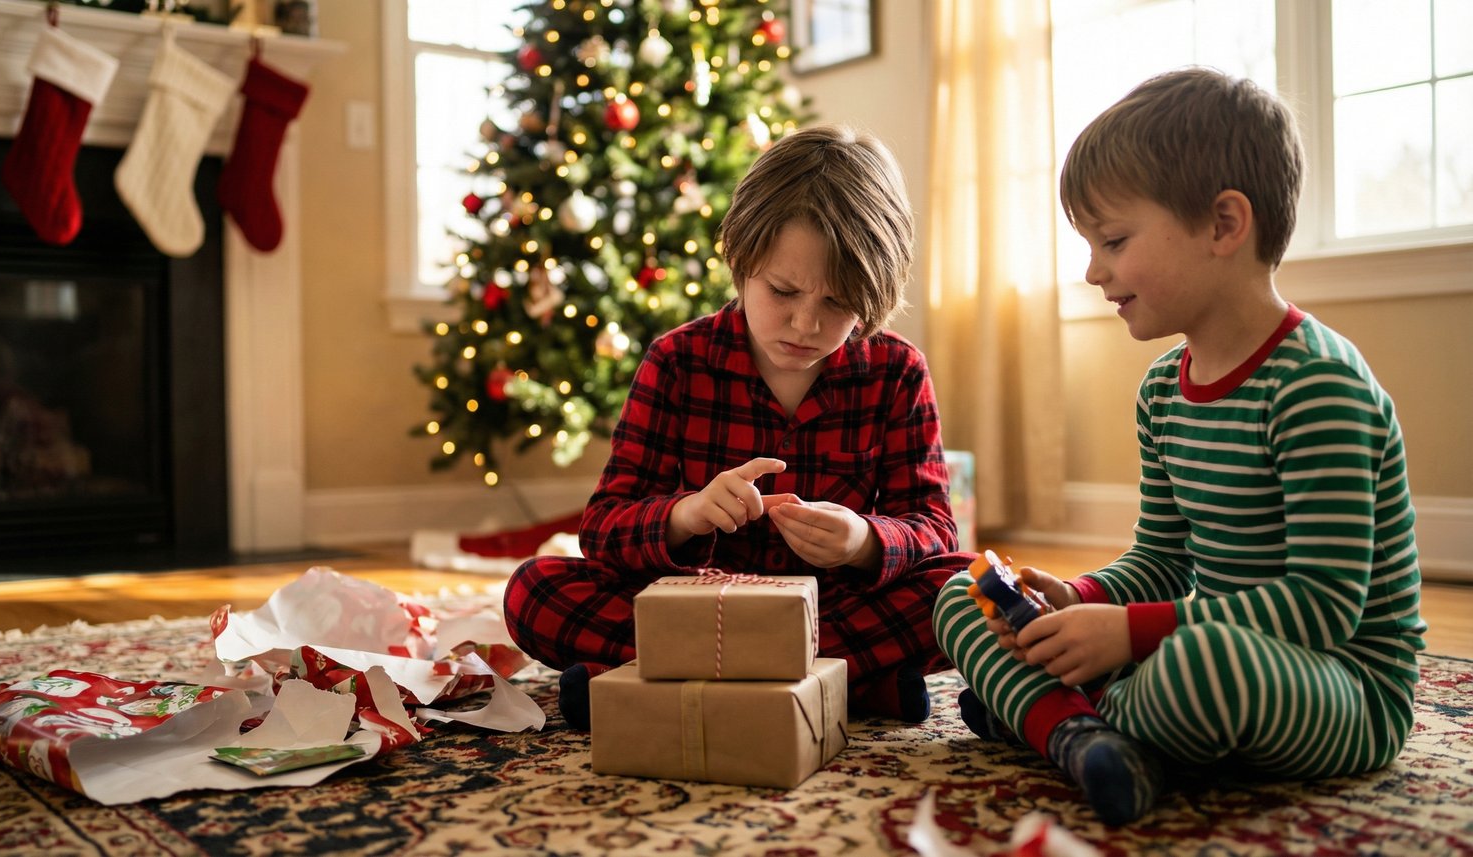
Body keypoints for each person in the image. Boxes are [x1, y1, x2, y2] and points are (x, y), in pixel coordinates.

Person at [933, 66, 1427, 826]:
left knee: (1206, 666)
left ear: (1225, 225)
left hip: (1338, 685)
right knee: (963, 600)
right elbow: (1162, 558)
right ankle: (1090, 734)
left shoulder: (1318, 386)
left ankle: (1056, 719)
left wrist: (1127, 635)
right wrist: (1081, 601)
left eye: (1115, 240)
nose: (1094, 270)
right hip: (1190, 643)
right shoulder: (1165, 389)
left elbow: (1325, 608)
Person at [504, 124, 973, 729]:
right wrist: (688, 514)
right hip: (696, 603)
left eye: (837, 305)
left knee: (967, 590)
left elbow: (934, 529)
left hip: (829, 605)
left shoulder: (897, 370)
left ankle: (662, 681)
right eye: (782, 291)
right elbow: (603, 529)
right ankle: (843, 685)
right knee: (533, 590)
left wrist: (862, 541)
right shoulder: (676, 361)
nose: (805, 324)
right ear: (739, 258)